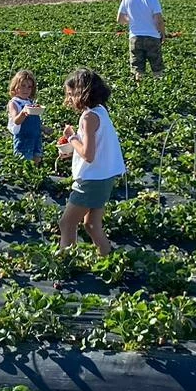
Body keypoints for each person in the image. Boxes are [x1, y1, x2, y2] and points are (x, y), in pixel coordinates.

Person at [57, 68, 126, 256]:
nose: (69, 99)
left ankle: (67, 262)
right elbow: (96, 146)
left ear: (82, 93)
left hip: (91, 179)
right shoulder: (100, 110)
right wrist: (73, 150)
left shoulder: (88, 117)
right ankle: (106, 256)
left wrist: (71, 138)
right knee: (91, 224)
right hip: (104, 176)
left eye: (71, 94)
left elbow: (88, 154)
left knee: (67, 222)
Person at [117, 0, 165, 80]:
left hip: (135, 38)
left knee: (137, 69)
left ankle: (139, 90)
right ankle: (159, 87)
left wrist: (133, 20)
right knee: (157, 68)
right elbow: (159, 20)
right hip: (152, 37)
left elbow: (120, 19)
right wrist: (163, 33)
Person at [6, 70, 45, 161]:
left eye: (29, 87)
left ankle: (34, 174)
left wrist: (43, 128)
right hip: (23, 138)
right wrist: (23, 112)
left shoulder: (30, 102)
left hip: (35, 137)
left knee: (37, 158)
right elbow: (16, 120)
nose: (26, 89)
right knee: (24, 161)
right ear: (15, 87)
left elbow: (35, 123)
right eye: (23, 86)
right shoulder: (14, 103)